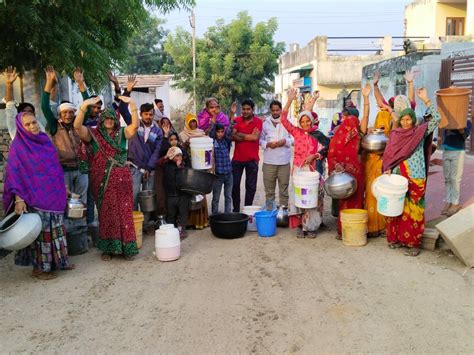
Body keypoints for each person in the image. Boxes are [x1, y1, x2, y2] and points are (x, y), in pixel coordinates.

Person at [3, 112, 73, 280]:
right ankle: (40, 268)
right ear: (21, 127)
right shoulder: (18, 147)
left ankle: (60, 261)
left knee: (57, 230)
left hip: (53, 194)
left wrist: (62, 186)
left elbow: (54, 167)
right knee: (42, 234)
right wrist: (19, 199)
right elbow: (14, 174)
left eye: (34, 122)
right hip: (34, 197)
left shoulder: (44, 141)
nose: (32, 126)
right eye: (27, 124)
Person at [74, 96, 140, 261]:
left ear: (115, 120)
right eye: (106, 118)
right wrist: (84, 107)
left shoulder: (122, 133)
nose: (109, 121)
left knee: (124, 212)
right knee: (106, 213)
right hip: (102, 180)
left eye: (112, 118)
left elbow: (135, 126)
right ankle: (108, 249)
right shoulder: (94, 134)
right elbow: (77, 127)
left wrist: (132, 105)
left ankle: (127, 248)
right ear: (102, 120)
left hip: (122, 179)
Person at [382, 88, 441, 256]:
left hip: (416, 176)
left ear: (414, 120)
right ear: (399, 121)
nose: (406, 123)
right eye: (403, 120)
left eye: (409, 120)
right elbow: (391, 155)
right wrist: (388, 170)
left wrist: (426, 100)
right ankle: (395, 238)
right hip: (398, 176)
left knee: (415, 210)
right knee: (397, 208)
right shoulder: (396, 134)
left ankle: (413, 243)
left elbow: (437, 119)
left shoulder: (420, 132)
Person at [42, 66, 89, 246]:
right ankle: (64, 240)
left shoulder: (78, 124)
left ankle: (80, 238)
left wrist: (80, 83)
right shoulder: (54, 126)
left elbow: (87, 104)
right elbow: (45, 106)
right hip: (63, 171)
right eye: (65, 112)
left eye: (71, 112)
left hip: (81, 170)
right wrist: (49, 82)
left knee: (81, 204)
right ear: (60, 114)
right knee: (65, 203)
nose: (68, 115)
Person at [281, 89, 325, 238]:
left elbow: (326, 149)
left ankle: (311, 226)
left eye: (308, 121)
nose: (305, 123)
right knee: (300, 197)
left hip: (313, 171)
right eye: (302, 121)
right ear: (299, 123)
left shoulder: (317, 134)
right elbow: (283, 119)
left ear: (312, 122)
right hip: (299, 171)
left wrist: (315, 155)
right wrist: (290, 100)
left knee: (313, 198)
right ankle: (301, 225)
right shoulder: (296, 132)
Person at [327, 96, 365, 239]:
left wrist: (366, 98)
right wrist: (336, 166)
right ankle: (343, 230)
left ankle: (356, 229)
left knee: (358, 200)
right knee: (344, 201)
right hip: (344, 175)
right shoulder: (338, 135)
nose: (350, 126)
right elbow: (331, 154)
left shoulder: (360, 134)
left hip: (357, 173)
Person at [360, 83, 394, 238]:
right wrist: (374, 87)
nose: (381, 106)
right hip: (370, 160)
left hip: (383, 161)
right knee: (370, 192)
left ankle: (381, 226)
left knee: (380, 193)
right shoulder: (381, 115)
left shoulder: (395, 120)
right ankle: (371, 225)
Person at [259, 100, 292, 208]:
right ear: (270, 111)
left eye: (277, 110)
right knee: (269, 192)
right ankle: (270, 214)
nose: (275, 112)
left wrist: (285, 141)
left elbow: (295, 138)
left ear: (281, 110)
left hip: (284, 162)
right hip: (269, 162)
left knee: (283, 190)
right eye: (273, 110)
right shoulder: (265, 124)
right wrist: (267, 144)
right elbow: (260, 140)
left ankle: (283, 214)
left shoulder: (287, 122)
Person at [231, 99, 262, 212]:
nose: (245, 111)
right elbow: (231, 136)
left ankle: (247, 210)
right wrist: (248, 136)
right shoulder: (237, 120)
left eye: (248, 109)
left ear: (252, 110)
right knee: (234, 185)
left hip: (252, 160)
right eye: (243, 109)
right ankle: (236, 210)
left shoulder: (258, 122)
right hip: (237, 159)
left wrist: (239, 135)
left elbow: (255, 138)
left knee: (251, 187)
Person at [179, 113, 209, 229]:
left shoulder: (201, 132)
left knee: (201, 193)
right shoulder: (182, 135)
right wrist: (186, 144)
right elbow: (181, 148)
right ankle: (190, 221)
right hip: (189, 166)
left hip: (201, 167)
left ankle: (201, 221)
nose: (193, 124)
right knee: (190, 193)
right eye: (190, 121)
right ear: (187, 123)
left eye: (194, 121)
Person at [2, 66, 46, 139]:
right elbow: (10, 106)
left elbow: (50, 106)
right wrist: (9, 84)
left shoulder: (39, 125)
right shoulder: (15, 127)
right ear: (19, 115)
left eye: (30, 111)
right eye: (24, 112)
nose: (27, 114)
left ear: (34, 114)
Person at [441, 121, 472, 216]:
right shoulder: (446, 121)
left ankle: (455, 203)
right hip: (446, 151)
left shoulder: (467, 122)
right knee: (447, 178)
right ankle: (448, 201)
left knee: (455, 179)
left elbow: (465, 136)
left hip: (458, 152)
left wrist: (460, 128)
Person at [163, 147, 190, 239]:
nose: (179, 157)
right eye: (177, 155)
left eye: (180, 155)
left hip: (182, 195)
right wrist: (166, 156)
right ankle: (172, 230)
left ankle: (183, 230)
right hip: (171, 195)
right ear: (172, 156)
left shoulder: (183, 166)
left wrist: (180, 167)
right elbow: (170, 177)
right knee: (171, 214)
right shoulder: (167, 166)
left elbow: (184, 178)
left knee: (183, 213)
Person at [209, 122, 233, 214]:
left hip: (229, 173)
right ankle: (214, 216)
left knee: (228, 196)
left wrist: (231, 115)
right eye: (218, 132)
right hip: (218, 175)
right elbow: (211, 132)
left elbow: (229, 130)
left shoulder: (226, 141)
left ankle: (228, 215)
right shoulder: (213, 142)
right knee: (216, 197)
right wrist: (214, 116)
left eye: (222, 132)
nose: (220, 134)